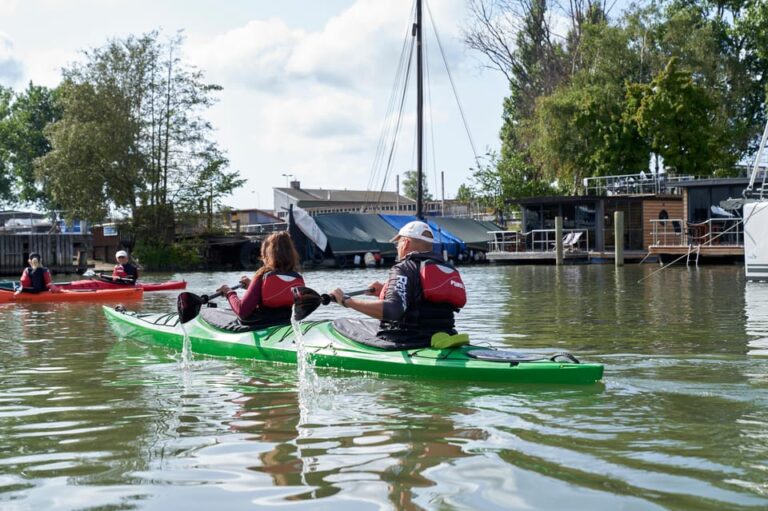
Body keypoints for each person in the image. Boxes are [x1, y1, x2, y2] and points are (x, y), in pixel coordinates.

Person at [328, 220, 466, 345]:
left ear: (405, 243)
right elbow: (423, 301)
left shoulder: (404, 267)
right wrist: (386, 290)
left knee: (340, 324)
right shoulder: (448, 268)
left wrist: (347, 301)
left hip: (409, 341)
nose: (397, 247)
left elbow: (393, 310)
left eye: (397, 243)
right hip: (444, 337)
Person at [216, 231, 305, 327]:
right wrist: (251, 286)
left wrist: (229, 292)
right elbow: (278, 295)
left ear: (267, 255)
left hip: (262, 325)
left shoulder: (263, 275)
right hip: (287, 323)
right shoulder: (298, 278)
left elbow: (242, 311)